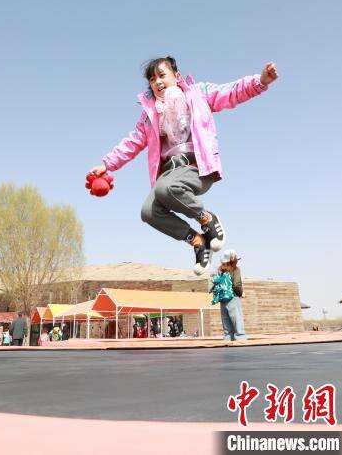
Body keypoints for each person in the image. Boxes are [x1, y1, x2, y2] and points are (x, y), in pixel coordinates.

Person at [89, 57, 278, 275]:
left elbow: (231, 92)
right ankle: (197, 241)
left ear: (176, 77)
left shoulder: (198, 93)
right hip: (170, 171)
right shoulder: (150, 114)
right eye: (152, 79)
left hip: (198, 167)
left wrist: (260, 81)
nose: (157, 82)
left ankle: (208, 219)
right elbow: (132, 142)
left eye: (162, 75)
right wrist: (106, 164)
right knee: (149, 212)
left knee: (164, 188)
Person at [210, 249, 246, 342]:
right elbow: (236, 285)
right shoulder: (235, 269)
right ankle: (240, 337)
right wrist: (241, 293)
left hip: (222, 299)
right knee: (237, 318)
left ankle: (228, 337)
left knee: (226, 319)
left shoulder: (220, 270)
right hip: (233, 297)